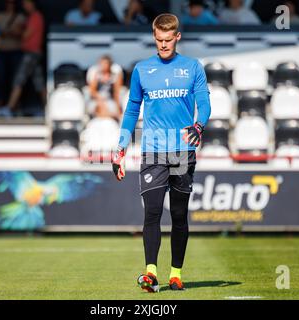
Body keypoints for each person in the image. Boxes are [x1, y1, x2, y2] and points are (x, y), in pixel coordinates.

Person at [111, 13, 211, 292]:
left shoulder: (192, 67)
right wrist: (120, 148)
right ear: (154, 37)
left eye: (168, 40)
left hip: (182, 150)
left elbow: (204, 103)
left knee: (179, 215)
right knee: (152, 211)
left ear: (177, 37)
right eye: (159, 40)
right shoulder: (142, 70)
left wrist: (199, 125)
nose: (163, 45)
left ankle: (176, 273)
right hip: (153, 151)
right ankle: (151, 273)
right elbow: (132, 110)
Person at [0, 0, 46, 116]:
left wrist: (14, 31)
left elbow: (25, 35)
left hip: (31, 54)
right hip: (33, 53)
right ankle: (48, 107)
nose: (24, 6)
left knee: (18, 80)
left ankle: (9, 108)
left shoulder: (35, 17)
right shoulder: (31, 17)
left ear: (32, 4)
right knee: (39, 83)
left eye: (26, 3)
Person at [0, 0, 25, 108]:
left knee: (15, 80)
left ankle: (14, 106)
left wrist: (8, 33)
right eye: (8, 2)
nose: (10, 5)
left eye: (12, 3)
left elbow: (21, 33)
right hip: (1, 52)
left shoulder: (20, 17)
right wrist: (10, 32)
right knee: (0, 79)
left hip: (15, 52)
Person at [88, 55, 123, 120]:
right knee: (99, 107)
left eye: (105, 63)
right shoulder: (97, 75)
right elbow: (92, 91)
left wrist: (118, 109)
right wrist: (99, 98)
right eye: (101, 63)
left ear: (109, 65)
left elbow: (116, 93)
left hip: (110, 100)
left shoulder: (115, 76)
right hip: (97, 100)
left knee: (111, 110)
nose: (102, 65)